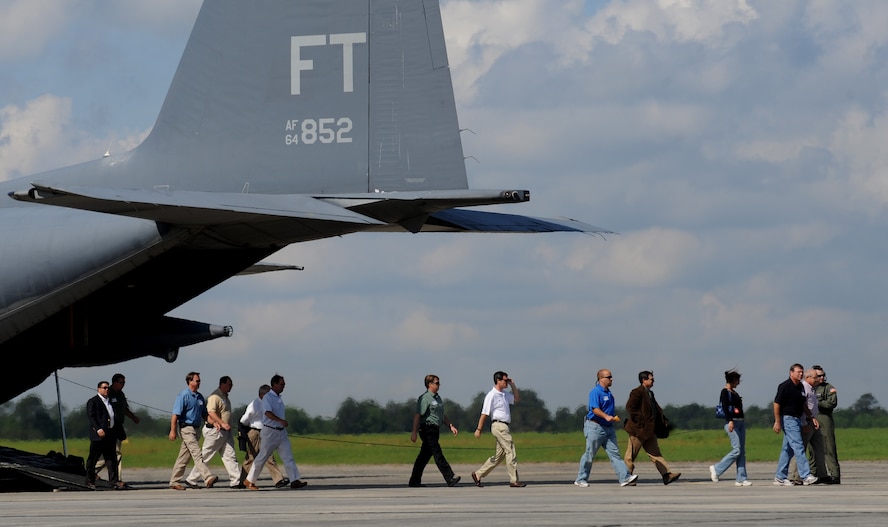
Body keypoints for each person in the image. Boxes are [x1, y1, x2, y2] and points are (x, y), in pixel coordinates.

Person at [574, 369, 638, 488]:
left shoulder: (609, 393)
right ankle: (581, 479)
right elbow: (594, 408)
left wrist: (612, 418)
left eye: (611, 377)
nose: (611, 379)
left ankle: (624, 477)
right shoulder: (595, 392)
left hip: (608, 428)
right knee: (590, 453)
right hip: (595, 426)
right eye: (609, 377)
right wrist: (606, 416)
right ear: (601, 379)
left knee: (615, 453)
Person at [243, 374, 308, 490]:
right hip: (270, 432)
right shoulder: (268, 397)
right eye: (282, 384)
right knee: (262, 457)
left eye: (284, 384)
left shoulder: (279, 398)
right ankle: (249, 480)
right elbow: (267, 413)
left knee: (288, 457)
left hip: (281, 433)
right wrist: (280, 420)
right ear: (275, 384)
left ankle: (294, 480)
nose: (284, 386)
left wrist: (281, 424)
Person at [623, 371, 681, 485]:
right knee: (630, 455)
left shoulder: (650, 393)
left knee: (656, 454)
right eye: (651, 379)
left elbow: (655, 410)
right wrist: (641, 422)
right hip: (638, 431)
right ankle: (626, 477)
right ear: (644, 380)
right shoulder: (637, 392)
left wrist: (662, 421)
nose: (653, 381)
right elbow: (630, 408)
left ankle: (666, 475)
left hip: (649, 431)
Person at [471, 371, 525, 487]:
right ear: (498, 381)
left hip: (505, 426)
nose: (507, 382)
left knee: (499, 457)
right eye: (505, 380)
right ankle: (514, 480)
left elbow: (516, 399)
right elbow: (484, 413)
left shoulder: (504, 394)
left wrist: (513, 385)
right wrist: (478, 429)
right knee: (510, 450)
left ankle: (478, 474)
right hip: (499, 426)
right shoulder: (492, 395)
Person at [186, 376, 242, 489]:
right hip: (215, 431)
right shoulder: (215, 396)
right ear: (222, 384)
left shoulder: (225, 397)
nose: (231, 387)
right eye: (229, 384)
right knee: (206, 455)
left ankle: (236, 481)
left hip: (225, 432)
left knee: (230, 456)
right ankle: (191, 479)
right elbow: (211, 412)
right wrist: (222, 423)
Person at [168, 371, 219, 490]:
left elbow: (205, 415)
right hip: (186, 429)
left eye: (199, 380)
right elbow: (175, 415)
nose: (199, 382)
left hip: (196, 430)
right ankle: (208, 477)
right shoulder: (183, 395)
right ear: (190, 381)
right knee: (197, 453)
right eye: (197, 380)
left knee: (183, 457)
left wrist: (215, 422)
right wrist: (173, 430)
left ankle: (174, 481)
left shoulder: (200, 397)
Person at [408, 374, 461, 488]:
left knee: (423, 457)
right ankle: (449, 477)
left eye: (439, 383)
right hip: (427, 429)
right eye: (437, 383)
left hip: (435, 429)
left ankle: (414, 481)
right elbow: (418, 415)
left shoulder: (438, 398)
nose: (439, 385)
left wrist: (450, 426)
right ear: (430, 384)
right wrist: (414, 432)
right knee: (437, 453)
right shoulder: (425, 398)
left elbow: (442, 415)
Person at [773, 363, 818, 486]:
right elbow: (776, 404)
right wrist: (777, 421)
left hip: (797, 419)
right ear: (791, 372)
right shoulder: (785, 386)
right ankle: (806, 475)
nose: (801, 374)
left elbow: (803, 405)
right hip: (788, 419)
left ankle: (780, 477)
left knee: (787, 449)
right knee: (798, 446)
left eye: (802, 372)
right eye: (798, 372)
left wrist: (811, 417)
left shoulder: (800, 387)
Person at [239, 384, 287, 488]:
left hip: (266, 432)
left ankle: (278, 480)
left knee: (269, 456)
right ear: (262, 395)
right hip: (255, 432)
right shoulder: (254, 404)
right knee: (251, 457)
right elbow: (244, 420)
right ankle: (243, 480)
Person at [94, 373, 139, 482]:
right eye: (121, 382)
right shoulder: (108, 394)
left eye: (124, 383)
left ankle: (94, 472)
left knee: (113, 453)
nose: (123, 385)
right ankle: (93, 471)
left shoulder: (121, 395)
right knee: (113, 453)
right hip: (107, 428)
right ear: (114, 382)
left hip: (117, 427)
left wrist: (133, 417)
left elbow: (124, 409)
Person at [709, 369, 751, 486]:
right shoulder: (725, 392)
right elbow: (726, 407)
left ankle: (741, 478)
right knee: (736, 449)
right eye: (737, 380)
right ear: (732, 380)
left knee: (742, 452)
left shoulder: (734, 392)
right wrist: (730, 421)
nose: (738, 383)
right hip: (732, 423)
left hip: (741, 422)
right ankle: (716, 469)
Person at [85, 381, 126, 489]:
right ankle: (90, 480)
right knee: (93, 459)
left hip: (110, 435)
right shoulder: (93, 401)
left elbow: (114, 417)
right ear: (99, 389)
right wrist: (98, 429)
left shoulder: (110, 401)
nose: (107, 389)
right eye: (104, 388)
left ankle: (114, 481)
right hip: (99, 435)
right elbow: (91, 417)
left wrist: (120, 432)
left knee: (111, 459)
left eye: (108, 388)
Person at [790, 369, 827, 483]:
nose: (818, 379)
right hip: (806, 421)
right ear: (808, 378)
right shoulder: (804, 388)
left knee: (819, 448)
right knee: (801, 449)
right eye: (815, 377)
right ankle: (796, 476)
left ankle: (822, 474)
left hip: (813, 421)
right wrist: (804, 423)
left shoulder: (812, 389)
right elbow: (802, 406)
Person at [812, 365, 841, 483]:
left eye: (823, 375)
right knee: (813, 449)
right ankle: (815, 473)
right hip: (811, 419)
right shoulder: (808, 388)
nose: (822, 377)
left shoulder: (828, 388)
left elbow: (831, 403)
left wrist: (815, 401)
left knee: (829, 447)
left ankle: (834, 474)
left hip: (824, 418)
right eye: (819, 376)